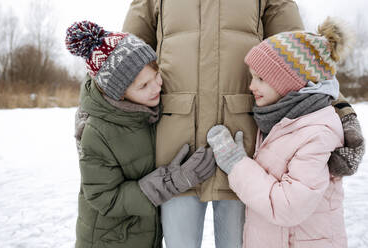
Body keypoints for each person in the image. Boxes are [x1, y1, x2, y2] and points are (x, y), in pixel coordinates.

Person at [122, 1, 364, 247]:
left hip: (244, 146)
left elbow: (301, 60)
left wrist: (342, 112)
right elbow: (124, 61)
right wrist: (93, 110)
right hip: (175, 148)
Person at [207, 17, 364, 248]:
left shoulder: (317, 133)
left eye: (261, 78)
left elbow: (289, 206)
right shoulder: (279, 119)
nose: (251, 86)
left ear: (292, 83)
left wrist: (236, 164)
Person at [65, 21, 216, 248]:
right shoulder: (97, 133)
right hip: (109, 240)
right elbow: (104, 197)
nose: (156, 87)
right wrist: (171, 182)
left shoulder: (144, 110)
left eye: (155, 75)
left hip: (140, 234)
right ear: (119, 95)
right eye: (143, 86)